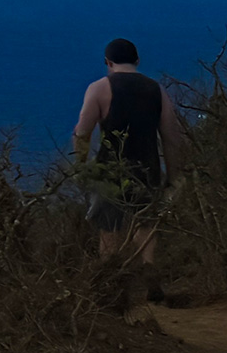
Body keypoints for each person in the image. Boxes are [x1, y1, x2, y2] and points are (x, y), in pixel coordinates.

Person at [72, 37, 191, 296]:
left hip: (109, 171)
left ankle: (111, 284)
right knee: (146, 224)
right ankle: (149, 270)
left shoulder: (99, 88)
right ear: (137, 61)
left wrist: (80, 166)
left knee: (109, 228)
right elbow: (172, 138)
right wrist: (173, 177)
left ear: (108, 62)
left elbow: (83, 132)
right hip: (147, 168)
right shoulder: (156, 90)